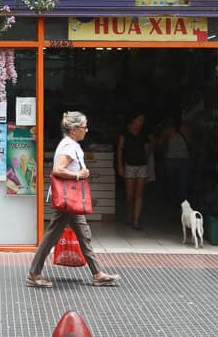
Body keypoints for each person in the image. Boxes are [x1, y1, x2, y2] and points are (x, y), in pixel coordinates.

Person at [27, 111, 119, 288]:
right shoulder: (69, 147)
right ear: (74, 129)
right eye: (84, 127)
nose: (87, 130)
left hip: (71, 199)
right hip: (69, 199)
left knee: (83, 234)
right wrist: (78, 175)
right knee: (52, 236)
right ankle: (34, 273)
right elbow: (57, 170)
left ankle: (97, 273)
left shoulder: (70, 144)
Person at [117, 112, 153, 230]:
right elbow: (120, 149)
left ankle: (136, 221)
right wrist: (120, 165)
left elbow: (151, 144)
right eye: (139, 119)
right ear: (133, 120)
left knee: (139, 194)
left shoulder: (144, 132)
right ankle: (129, 215)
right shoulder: (125, 132)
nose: (141, 122)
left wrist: (147, 155)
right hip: (129, 165)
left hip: (142, 165)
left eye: (142, 120)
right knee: (130, 195)